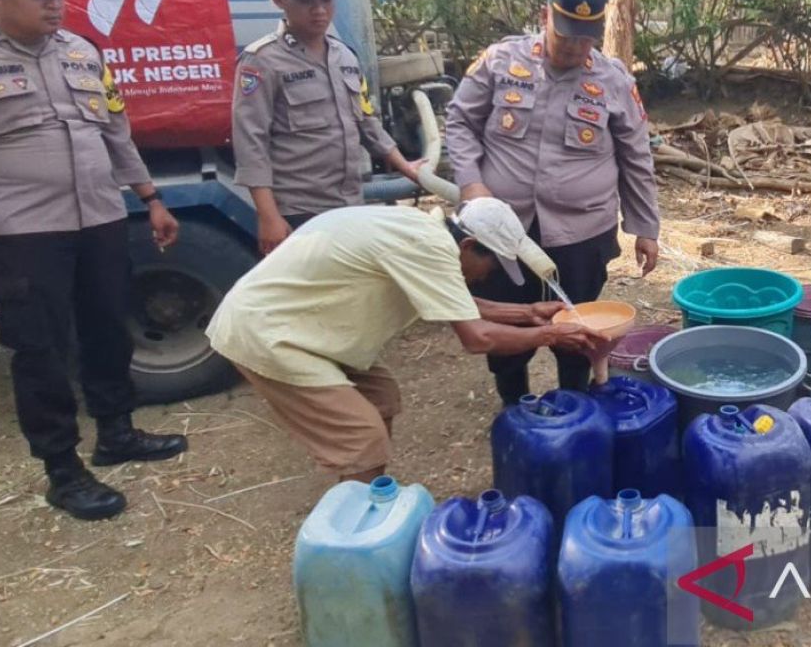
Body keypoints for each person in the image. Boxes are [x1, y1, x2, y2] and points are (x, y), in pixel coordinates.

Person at [0, 0, 188, 521]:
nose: (54, 5)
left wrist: (151, 197)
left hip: (101, 217)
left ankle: (116, 432)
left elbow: (116, 129)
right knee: (40, 350)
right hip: (24, 230)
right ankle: (62, 470)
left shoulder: (82, 51)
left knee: (109, 329)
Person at [205, 198, 606, 483]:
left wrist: (527, 313)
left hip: (299, 326)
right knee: (363, 437)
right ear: (468, 245)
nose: (490, 276)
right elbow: (477, 338)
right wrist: (552, 333)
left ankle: (360, 488)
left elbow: (454, 299)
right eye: (491, 265)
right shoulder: (429, 248)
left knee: (379, 397)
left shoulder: (422, 232)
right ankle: (358, 531)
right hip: (269, 333)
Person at [445, 0, 660, 405]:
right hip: (502, 232)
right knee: (512, 326)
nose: (576, 49)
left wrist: (646, 227)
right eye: (567, 37)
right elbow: (460, 122)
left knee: (578, 330)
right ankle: (514, 404)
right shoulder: (501, 62)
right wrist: (471, 186)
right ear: (545, 16)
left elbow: (636, 156)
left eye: (587, 40)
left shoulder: (614, 80)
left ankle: (574, 405)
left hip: (582, 234)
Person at [231, 0, 424, 255]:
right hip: (298, 210)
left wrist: (405, 166)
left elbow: (366, 122)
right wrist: (268, 217)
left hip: (349, 203)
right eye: (306, 0)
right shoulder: (262, 61)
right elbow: (250, 143)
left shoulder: (344, 56)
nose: (319, 10)